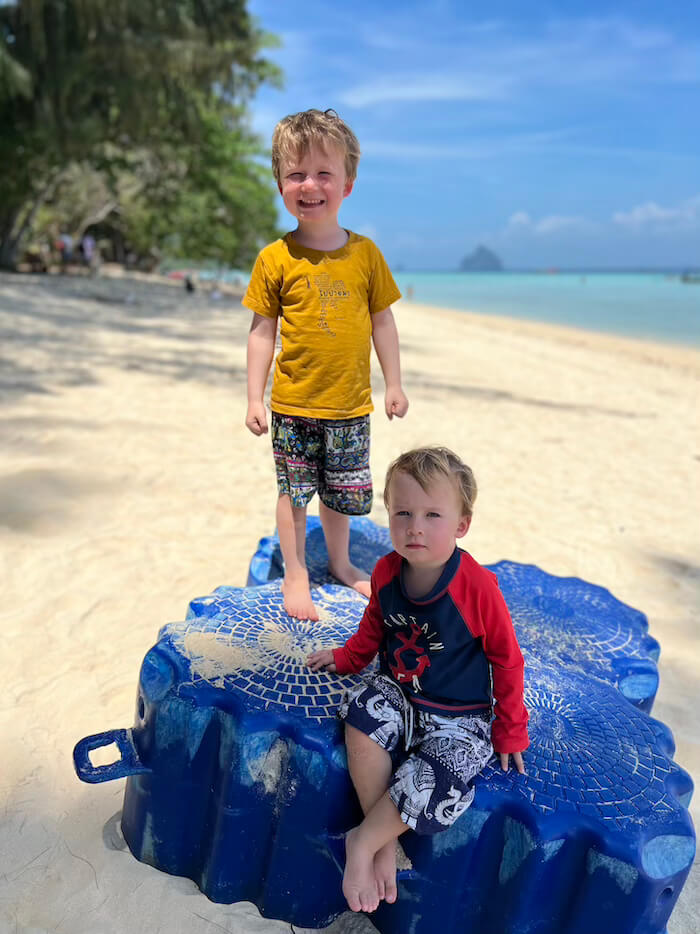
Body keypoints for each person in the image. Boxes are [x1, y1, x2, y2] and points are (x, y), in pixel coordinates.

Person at [307, 446, 529, 914]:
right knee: (360, 711)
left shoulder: (478, 588)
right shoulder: (387, 572)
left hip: (459, 718)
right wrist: (348, 659)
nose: (415, 527)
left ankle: (362, 843)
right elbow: (374, 625)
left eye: (432, 515)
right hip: (401, 695)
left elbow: (507, 660)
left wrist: (510, 728)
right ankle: (384, 841)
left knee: (445, 780)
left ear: (461, 525)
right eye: (403, 513)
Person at [243, 109, 408, 621]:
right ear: (280, 185)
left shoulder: (365, 255)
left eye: (323, 174)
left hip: (350, 405)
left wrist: (394, 385)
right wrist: (254, 397)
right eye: (295, 174)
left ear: (347, 185)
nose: (309, 185)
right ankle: (294, 570)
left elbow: (382, 323)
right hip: (293, 404)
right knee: (293, 493)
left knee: (341, 495)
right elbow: (261, 332)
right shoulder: (275, 258)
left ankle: (339, 562)